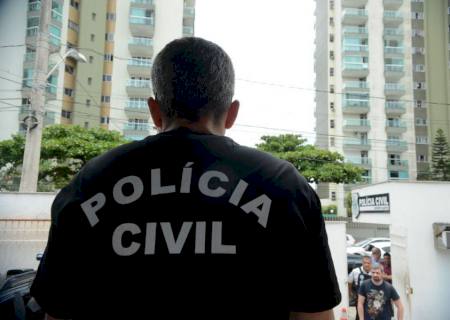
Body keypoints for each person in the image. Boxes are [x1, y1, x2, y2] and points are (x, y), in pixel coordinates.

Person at [30, 37, 341, 319]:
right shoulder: (284, 186)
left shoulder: (90, 183)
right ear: (231, 113)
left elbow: (58, 313)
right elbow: (313, 315)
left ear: (154, 111)